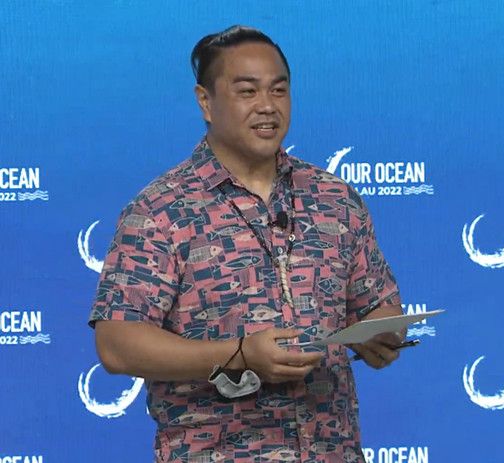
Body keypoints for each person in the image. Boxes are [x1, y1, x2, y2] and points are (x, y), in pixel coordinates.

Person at [89, 25, 405, 463]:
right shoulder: (160, 211)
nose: (267, 106)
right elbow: (117, 344)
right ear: (206, 102)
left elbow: (381, 307)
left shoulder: (334, 198)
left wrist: (385, 333)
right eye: (247, 91)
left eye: (279, 90)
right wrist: (238, 355)